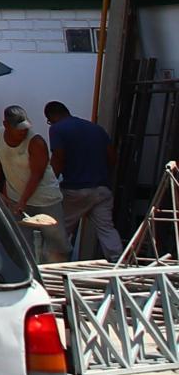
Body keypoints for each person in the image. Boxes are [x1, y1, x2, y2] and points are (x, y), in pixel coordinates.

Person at [41, 100, 122, 261]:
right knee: (107, 229)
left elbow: (58, 158)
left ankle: (52, 267)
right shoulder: (96, 128)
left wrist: (49, 185)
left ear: (51, 117)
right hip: (101, 189)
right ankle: (119, 261)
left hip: (75, 190)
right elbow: (112, 156)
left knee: (60, 230)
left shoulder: (57, 129)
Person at [0, 107, 63, 264]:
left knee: (56, 247)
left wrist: (22, 201)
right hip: (16, 199)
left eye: (25, 129)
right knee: (22, 245)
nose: (23, 132)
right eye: (18, 130)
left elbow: (37, 175)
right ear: (6, 125)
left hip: (46, 200)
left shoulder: (36, 142)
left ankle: (55, 282)